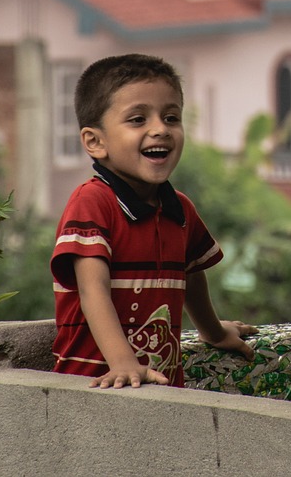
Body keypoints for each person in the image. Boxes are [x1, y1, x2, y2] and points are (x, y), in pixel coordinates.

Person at [51, 53, 256, 388]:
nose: (160, 129)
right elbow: (93, 290)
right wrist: (123, 364)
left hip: (161, 390)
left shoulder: (180, 210)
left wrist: (214, 332)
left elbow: (191, 278)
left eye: (172, 117)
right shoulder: (92, 202)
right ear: (95, 142)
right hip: (94, 389)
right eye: (137, 120)